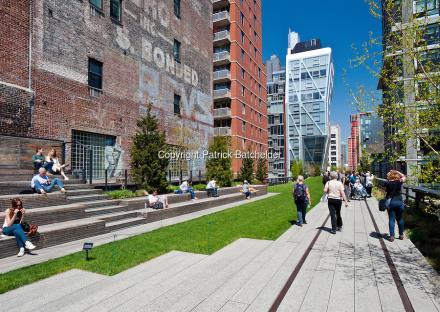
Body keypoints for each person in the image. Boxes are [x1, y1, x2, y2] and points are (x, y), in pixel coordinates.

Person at [384, 170, 406, 242]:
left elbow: (387, 180)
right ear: (396, 175)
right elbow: (404, 176)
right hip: (399, 202)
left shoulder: (387, 183)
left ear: (389, 176)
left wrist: (389, 174)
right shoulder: (399, 182)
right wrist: (397, 171)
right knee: (400, 218)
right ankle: (401, 235)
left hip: (391, 203)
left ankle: (392, 236)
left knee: (391, 219)